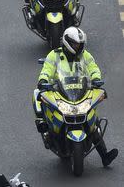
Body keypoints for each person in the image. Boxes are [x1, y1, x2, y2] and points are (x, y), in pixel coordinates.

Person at [36, 27, 118, 166]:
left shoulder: (85, 55)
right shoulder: (54, 55)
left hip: (80, 92)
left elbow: (93, 68)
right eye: (75, 44)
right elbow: (47, 70)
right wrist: (43, 81)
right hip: (59, 92)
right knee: (39, 97)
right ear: (67, 42)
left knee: (93, 122)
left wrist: (96, 79)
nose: (78, 46)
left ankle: (104, 156)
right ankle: (48, 130)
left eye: (79, 44)